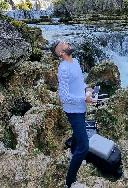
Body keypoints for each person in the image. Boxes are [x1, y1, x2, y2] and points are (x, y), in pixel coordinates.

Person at [51, 40, 94, 188]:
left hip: (81, 106)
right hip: (73, 110)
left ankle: (72, 153)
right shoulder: (63, 69)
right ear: (61, 53)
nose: (66, 43)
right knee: (84, 146)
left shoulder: (75, 61)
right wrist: (84, 98)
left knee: (78, 133)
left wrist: (87, 90)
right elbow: (64, 97)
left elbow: (80, 82)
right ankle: (70, 182)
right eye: (63, 45)